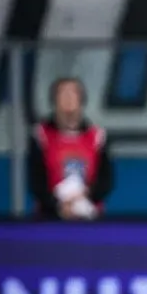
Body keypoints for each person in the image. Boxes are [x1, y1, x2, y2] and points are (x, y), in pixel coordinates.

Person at [28, 78, 114, 220]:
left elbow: (106, 180)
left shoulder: (98, 137)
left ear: (81, 100)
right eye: (63, 94)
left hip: (90, 217)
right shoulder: (40, 135)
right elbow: (36, 180)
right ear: (54, 100)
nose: (68, 99)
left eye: (73, 94)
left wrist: (87, 197)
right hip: (49, 218)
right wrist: (58, 206)